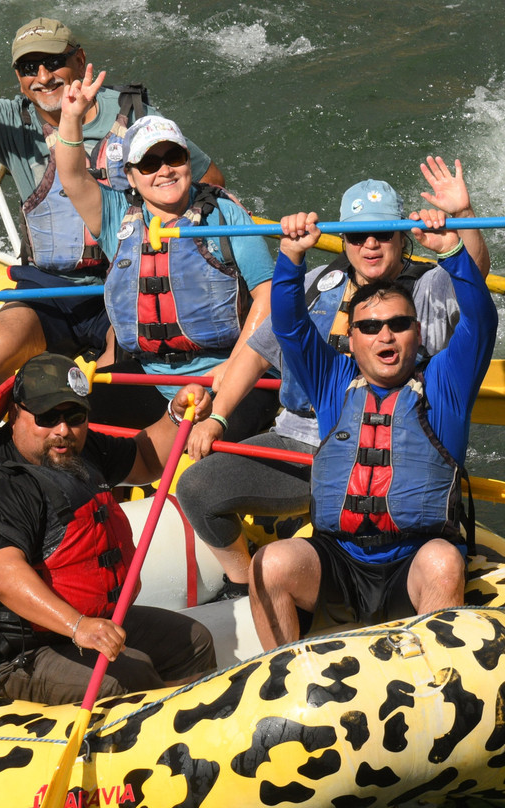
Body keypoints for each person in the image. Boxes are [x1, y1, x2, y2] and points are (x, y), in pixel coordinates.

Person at [175, 163, 491, 601]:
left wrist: (462, 222)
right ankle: (243, 582)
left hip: (406, 444)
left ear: (403, 237)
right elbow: (262, 345)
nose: (371, 245)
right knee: (196, 487)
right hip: (305, 442)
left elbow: (473, 277)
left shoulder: (433, 285)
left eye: (384, 234)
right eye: (358, 236)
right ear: (342, 240)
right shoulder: (311, 287)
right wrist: (220, 416)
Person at [0, 18, 225, 403]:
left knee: (111, 385)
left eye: (54, 62)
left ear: (80, 60)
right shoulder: (11, 119)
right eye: (29, 68)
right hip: (48, 284)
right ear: (18, 77)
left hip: (128, 279)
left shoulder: (134, 114)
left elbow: (209, 180)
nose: (43, 77)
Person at [249, 205, 496, 650]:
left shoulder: (445, 384)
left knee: (443, 562)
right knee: (269, 563)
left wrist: (454, 249)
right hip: (339, 560)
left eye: (399, 325)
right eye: (370, 327)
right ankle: (281, 678)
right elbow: (290, 327)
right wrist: (290, 256)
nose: (385, 336)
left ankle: (436, 687)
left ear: (417, 333)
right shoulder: (333, 382)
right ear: (352, 336)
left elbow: (481, 322)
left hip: (414, 561)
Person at [0, 352, 216, 703]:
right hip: (13, 654)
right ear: (15, 414)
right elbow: (3, 575)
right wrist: (77, 626)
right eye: (46, 417)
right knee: (125, 679)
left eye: (74, 417)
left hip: (89, 622)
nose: (62, 430)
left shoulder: (77, 450)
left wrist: (176, 416)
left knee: (192, 642)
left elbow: (147, 461)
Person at [53, 70, 277, 442]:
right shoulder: (114, 218)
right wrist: (71, 118)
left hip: (230, 376)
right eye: (149, 164)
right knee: (81, 430)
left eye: (174, 156)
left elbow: (268, 297)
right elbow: (73, 176)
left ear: (188, 160)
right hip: (152, 378)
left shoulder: (226, 215)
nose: (165, 170)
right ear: (131, 175)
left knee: (212, 455)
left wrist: (236, 367)